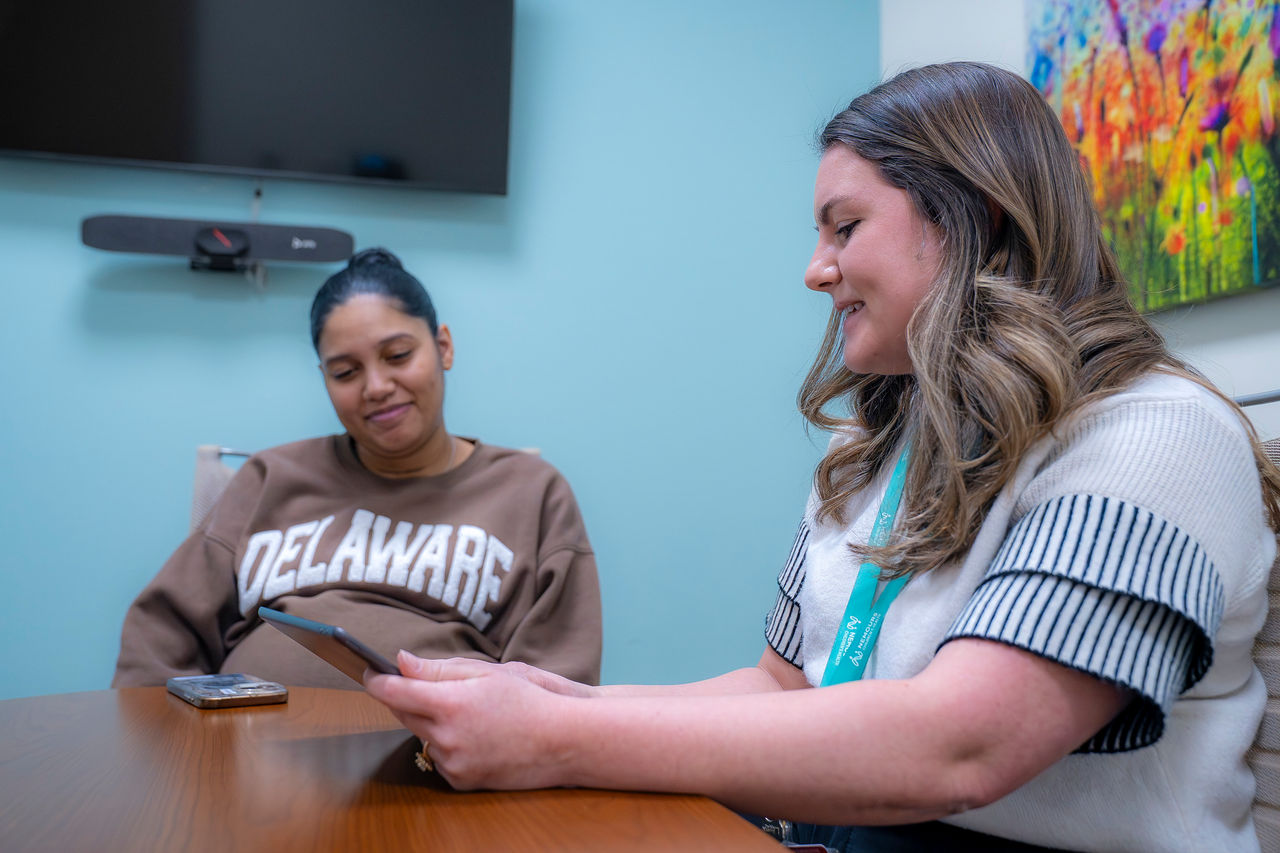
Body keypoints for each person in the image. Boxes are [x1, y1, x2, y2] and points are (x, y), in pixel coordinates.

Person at [362, 63, 1280, 853]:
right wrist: (548, 698)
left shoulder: (1160, 435)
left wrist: (558, 737)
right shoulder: (880, 442)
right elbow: (782, 684)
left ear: (978, 224)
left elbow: (960, 747)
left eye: (844, 227)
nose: (815, 268)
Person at [113, 248, 602, 689]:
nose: (376, 386)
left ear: (444, 347)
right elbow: (159, 638)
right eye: (345, 372)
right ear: (324, 378)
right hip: (241, 757)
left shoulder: (532, 493)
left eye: (398, 355)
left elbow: (553, 689)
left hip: (434, 774)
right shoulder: (270, 478)